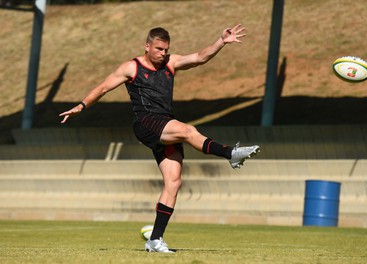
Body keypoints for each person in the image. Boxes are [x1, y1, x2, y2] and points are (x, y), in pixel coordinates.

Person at [59, 24, 260, 253]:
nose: (163, 53)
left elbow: (200, 57)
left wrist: (221, 41)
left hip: (166, 124)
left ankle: (155, 240)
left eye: (166, 49)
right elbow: (104, 87)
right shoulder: (131, 67)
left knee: (173, 182)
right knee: (188, 131)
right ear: (147, 46)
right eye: (159, 49)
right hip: (146, 123)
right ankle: (230, 154)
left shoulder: (170, 63)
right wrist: (81, 106)